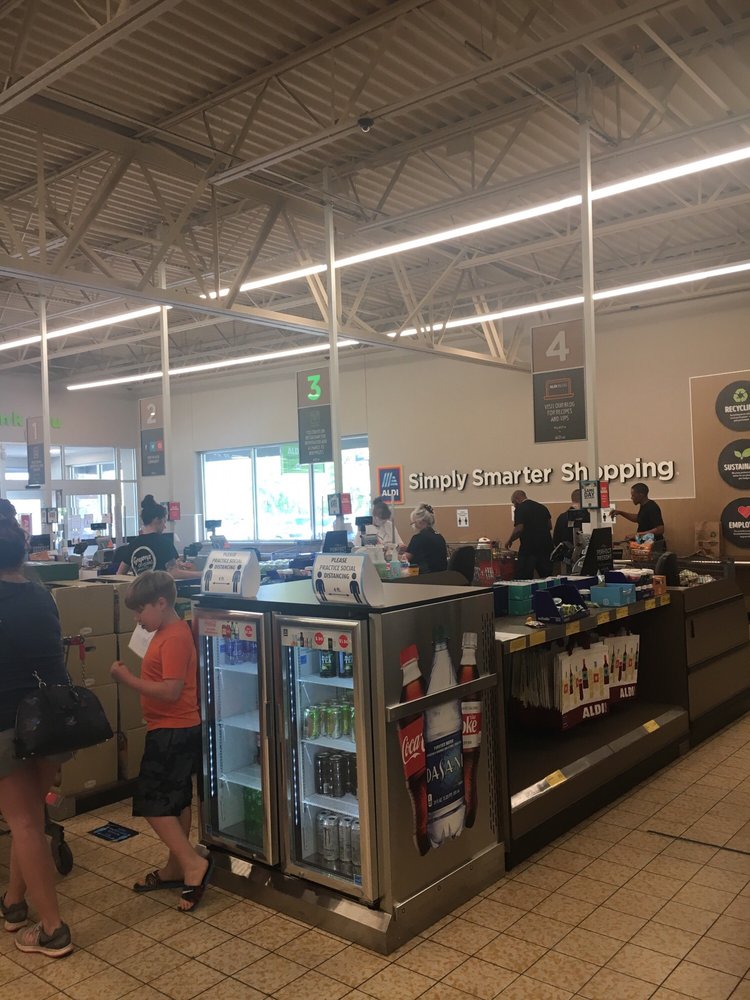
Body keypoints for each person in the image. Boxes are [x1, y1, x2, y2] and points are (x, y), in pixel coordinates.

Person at [110, 571, 212, 911]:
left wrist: (126, 679)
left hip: (172, 730)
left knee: (152, 802)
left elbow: (170, 691)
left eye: (140, 611)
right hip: (174, 728)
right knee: (176, 802)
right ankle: (175, 867)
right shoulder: (164, 633)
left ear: (162, 603)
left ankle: (192, 863)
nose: (137, 619)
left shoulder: (174, 638)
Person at [0, 519, 74, 958]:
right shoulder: (41, 594)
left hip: (6, 724)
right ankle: (14, 903)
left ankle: (53, 929)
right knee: (29, 817)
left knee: (24, 823)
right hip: (52, 721)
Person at [117, 496, 199, 579]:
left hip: (141, 587)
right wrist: (201, 574)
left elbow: (120, 574)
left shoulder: (133, 544)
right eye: (164, 522)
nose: (164, 526)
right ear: (157, 520)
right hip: (160, 587)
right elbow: (174, 573)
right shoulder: (164, 543)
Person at [506, 490, 553, 579]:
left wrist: (510, 540)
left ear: (517, 499)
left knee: (524, 577)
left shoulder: (520, 509)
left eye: (513, 502)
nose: (514, 505)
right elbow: (549, 526)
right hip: (545, 547)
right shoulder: (542, 507)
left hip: (529, 548)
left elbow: (519, 529)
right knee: (547, 577)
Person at [611, 483, 665, 548]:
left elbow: (660, 529)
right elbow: (638, 518)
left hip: (654, 547)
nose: (631, 498)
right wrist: (620, 512)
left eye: (633, 495)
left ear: (640, 495)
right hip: (646, 545)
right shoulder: (643, 506)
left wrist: (638, 535)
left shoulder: (652, 507)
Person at [400, 504, 447, 574]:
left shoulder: (418, 538)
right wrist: (410, 548)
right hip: (441, 576)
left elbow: (404, 560)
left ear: (420, 521)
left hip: (423, 577)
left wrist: (394, 554)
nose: (414, 526)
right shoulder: (439, 536)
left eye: (413, 523)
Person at [552, 489, 590, 565]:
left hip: (566, 558)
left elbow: (556, 539)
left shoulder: (562, 517)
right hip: (583, 557)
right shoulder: (587, 517)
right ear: (584, 500)